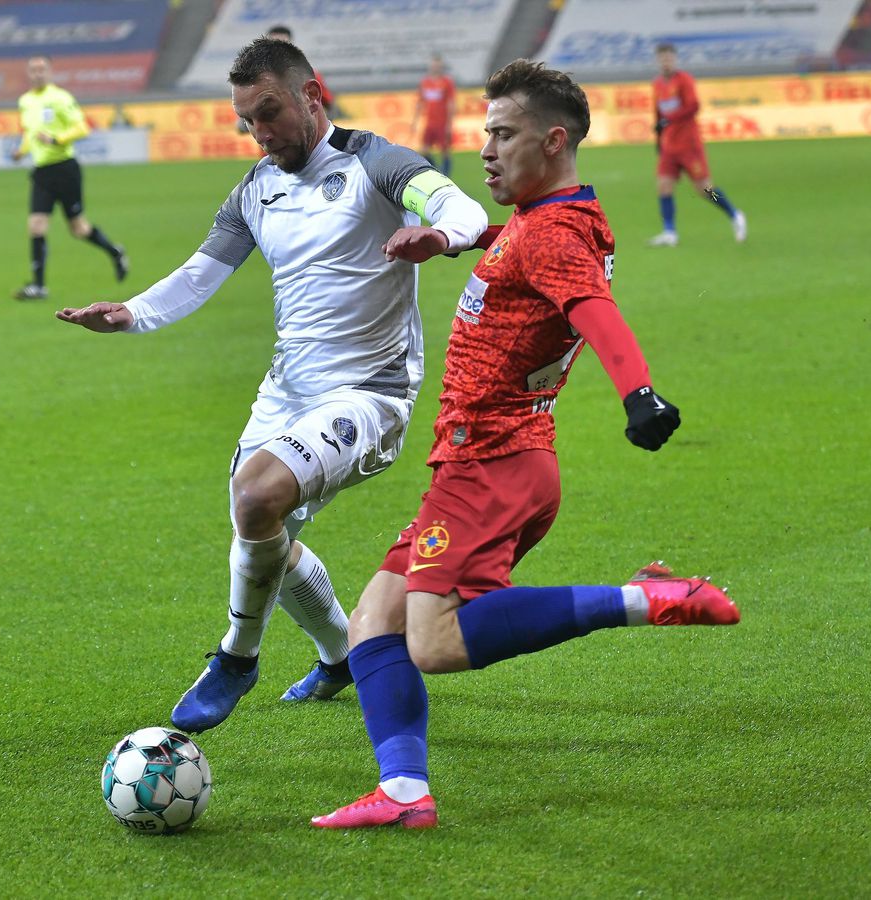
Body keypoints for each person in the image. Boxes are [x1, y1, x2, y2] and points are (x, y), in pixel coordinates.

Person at [312, 59, 740, 831]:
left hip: (492, 463)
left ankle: (648, 601)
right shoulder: (550, 220)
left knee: (433, 642)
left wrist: (638, 394)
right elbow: (503, 243)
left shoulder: (553, 237)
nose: (486, 149)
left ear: (552, 141)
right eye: (485, 133)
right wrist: (442, 238)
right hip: (487, 459)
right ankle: (404, 792)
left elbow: (593, 309)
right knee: (373, 618)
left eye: (502, 134)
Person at [56, 37, 487, 732]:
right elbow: (202, 272)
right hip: (286, 391)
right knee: (262, 528)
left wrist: (440, 238)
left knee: (257, 494)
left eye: (270, 112)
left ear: (310, 94)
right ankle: (341, 653)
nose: (261, 133)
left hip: (369, 393)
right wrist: (130, 314)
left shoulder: (372, 162)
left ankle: (236, 657)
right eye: (247, 120)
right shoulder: (256, 187)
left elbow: (458, 205)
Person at [11, 55, 128, 301]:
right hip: (42, 172)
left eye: (42, 69)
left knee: (78, 228)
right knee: (36, 226)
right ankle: (39, 286)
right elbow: (30, 134)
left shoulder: (60, 98)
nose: (38, 73)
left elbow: (82, 127)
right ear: (28, 73)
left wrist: (57, 140)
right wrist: (21, 152)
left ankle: (115, 252)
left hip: (65, 168)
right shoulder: (25, 101)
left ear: (50, 72)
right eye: (33, 70)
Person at [648, 43, 746, 247]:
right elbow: (659, 114)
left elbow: (693, 106)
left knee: (705, 189)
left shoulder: (684, 80)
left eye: (668, 58)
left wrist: (670, 119)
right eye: (662, 58)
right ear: (658, 61)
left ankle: (735, 215)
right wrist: (659, 139)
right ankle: (670, 232)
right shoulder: (657, 84)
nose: (665, 62)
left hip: (689, 145)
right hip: (669, 146)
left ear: (674, 59)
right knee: (664, 186)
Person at [267, 25, 338, 118]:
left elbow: (329, 106)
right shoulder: (254, 77)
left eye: (283, 45)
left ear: (291, 45)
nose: (278, 50)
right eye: (274, 45)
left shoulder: (308, 75)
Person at [410, 54, 456, 175]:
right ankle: (437, 171)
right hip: (429, 123)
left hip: (442, 122)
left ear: (441, 67)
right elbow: (420, 103)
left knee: (445, 151)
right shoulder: (425, 82)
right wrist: (414, 122)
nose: (436, 68)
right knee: (424, 150)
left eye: (438, 66)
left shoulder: (447, 82)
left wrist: (449, 124)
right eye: (434, 66)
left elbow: (451, 104)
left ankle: (446, 176)